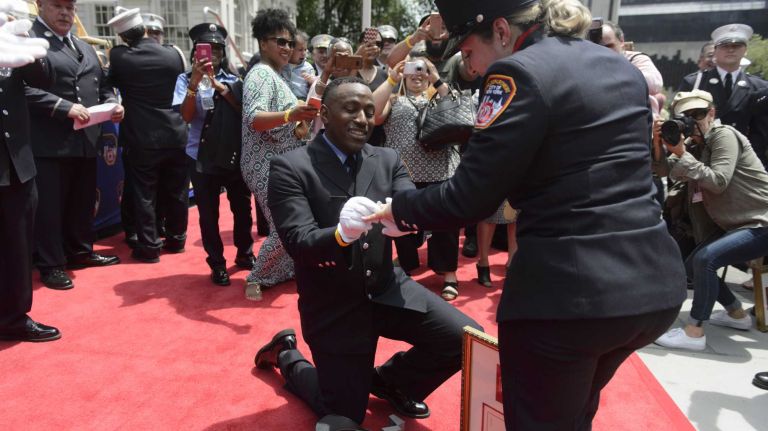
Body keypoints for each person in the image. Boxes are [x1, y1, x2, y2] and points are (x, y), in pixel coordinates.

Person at [365, 1, 687, 429]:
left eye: (470, 52)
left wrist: (396, 210)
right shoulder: (615, 65)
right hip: (652, 287)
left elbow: (469, 199)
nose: (472, 67)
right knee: (572, 413)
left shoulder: (515, 74)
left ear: (500, 31)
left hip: (571, 297)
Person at [254, 76, 481, 427]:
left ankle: (392, 382)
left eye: (368, 111)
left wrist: (407, 219)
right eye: (351, 109)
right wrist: (342, 234)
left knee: (465, 340)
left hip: (388, 288)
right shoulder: (292, 167)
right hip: (335, 304)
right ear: (325, 114)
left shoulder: (387, 158)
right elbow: (299, 243)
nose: (362, 118)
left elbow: (409, 201)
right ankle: (286, 354)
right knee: (344, 413)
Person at [652, 90, 768, 351]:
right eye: (686, 116)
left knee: (706, 259)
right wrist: (659, 144)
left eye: (699, 114)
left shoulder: (723, 135)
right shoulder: (694, 145)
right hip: (737, 224)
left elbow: (718, 181)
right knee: (694, 265)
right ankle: (736, 314)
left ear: (712, 113)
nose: (693, 121)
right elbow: (660, 170)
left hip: (761, 220)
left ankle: (694, 332)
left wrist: (682, 154)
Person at [26, 0, 123, 290]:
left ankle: (80, 251)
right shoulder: (27, 41)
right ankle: (51, 264)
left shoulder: (84, 45)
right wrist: (60, 105)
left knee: (80, 203)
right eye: (57, 5)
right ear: (40, 5)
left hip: (85, 139)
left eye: (70, 7)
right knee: (50, 208)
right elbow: (19, 88)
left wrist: (112, 103)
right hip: (49, 141)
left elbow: (102, 84)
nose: (66, 12)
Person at [241, 9, 318, 300]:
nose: (286, 48)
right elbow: (254, 118)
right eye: (280, 42)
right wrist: (291, 113)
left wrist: (301, 119)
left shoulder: (277, 75)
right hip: (265, 163)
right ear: (263, 43)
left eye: (290, 43)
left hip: (281, 161)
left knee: (290, 221)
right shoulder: (261, 74)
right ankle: (256, 277)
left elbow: (288, 126)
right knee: (286, 224)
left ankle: (281, 271)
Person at [372, 57, 461, 300]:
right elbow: (374, 113)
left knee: (446, 223)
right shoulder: (394, 99)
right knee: (402, 222)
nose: (417, 74)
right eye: (412, 69)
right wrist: (392, 78)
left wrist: (437, 79)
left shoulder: (439, 96)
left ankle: (449, 273)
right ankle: (407, 262)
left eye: (422, 70)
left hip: (441, 169)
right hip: (405, 172)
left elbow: (460, 110)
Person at [173, 22, 254, 286]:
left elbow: (244, 110)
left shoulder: (235, 78)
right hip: (200, 155)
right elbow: (185, 117)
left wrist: (220, 87)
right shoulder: (184, 80)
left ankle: (244, 253)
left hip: (233, 154)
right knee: (209, 215)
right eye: (206, 49)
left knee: (242, 208)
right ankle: (217, 263)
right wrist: (195, 85)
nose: (213, 54)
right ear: (196, 52)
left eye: (218, 49)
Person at [107, 8, 189, 263]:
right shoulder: (174, 54)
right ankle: (176, 239)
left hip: (142, 137)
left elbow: (111, 82)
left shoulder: (120, 56)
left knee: (144, 192)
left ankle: (150, 246)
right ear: (144, 29)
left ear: (123, 36)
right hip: (175, 133)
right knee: (177, 191)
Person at [0, 13, 61, 342]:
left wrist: (21, 42)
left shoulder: (12, 41)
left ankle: (14, 316)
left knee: (18, 245)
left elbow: (45, 78)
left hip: (17, 163)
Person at [678, 24, 768, 167]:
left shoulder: (760, 87)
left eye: (737, 45)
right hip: (705, 162)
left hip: (745, 163)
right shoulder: (695, 82)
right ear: (715, 50)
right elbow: (681, 122)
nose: (731, 49)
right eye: (725, 45)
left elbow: (762, 133)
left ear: (745, 50)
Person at [601, 21, 663, 118]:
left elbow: (655, 84)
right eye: (598, 47)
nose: (604, 52)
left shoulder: (636, 59)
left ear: (621, 41)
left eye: (609, 46)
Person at [281, 30, 316, 99]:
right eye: (300, 50)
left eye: (305, 50)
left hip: (302, 101)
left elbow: (314, 89)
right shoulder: (282, 65)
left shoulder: (308, 68)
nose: (303, 53)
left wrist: (312, 82)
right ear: (290, 49)